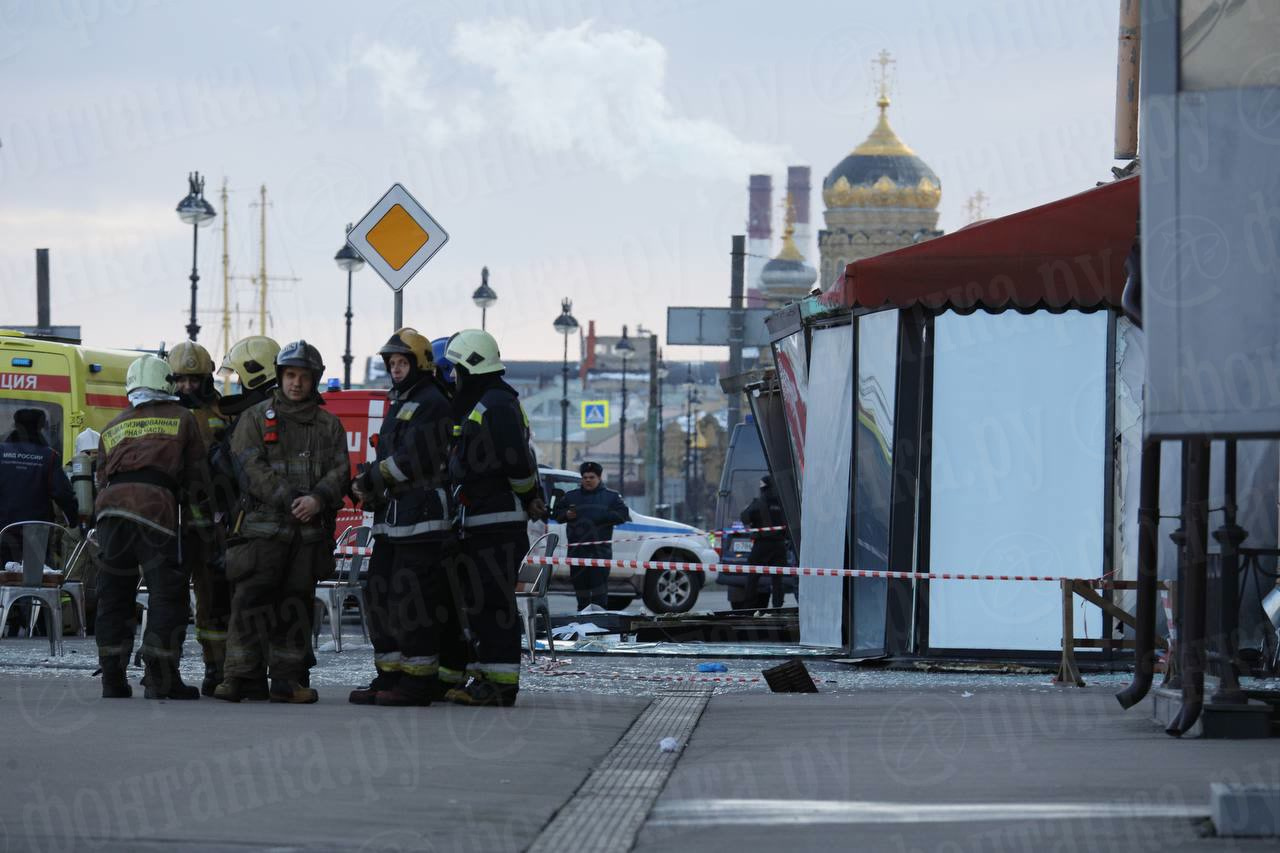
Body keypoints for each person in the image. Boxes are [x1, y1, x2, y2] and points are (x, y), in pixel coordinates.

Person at [215, 340, 349, 704]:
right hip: (261, 531)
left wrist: (318, 499)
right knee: (250, 600)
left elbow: (341, 470)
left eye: (303, 377)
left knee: (296, 604)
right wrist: (292, 501)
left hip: (306, 536)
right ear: (280, 376)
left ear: (314, 380)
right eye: (290, 375)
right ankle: (240, 678)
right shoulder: (256, 417)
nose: (296, 383)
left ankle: (289, 681)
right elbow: (248, 465)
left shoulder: (329, 425)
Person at [93, 355, 210, 699]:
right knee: (166, 593)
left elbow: (101, 476)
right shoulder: (183, 418)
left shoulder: (113, 425)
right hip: (155, 510)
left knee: (114, 594)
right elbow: (197, 477)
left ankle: (112, 679)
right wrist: (200, 522)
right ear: (167, 383)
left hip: (110, 513)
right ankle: (161, 679)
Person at [348, 328, 454, 707]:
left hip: (422, 522)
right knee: (379, 595)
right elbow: (389, 458)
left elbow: (414, 459)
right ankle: (389, 676)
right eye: (391, 363)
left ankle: (417, 684)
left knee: (413, 602)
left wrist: (371, 478)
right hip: (393, 520)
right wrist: (367, 483)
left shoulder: (432, 402)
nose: (395, 368)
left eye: (402, 362)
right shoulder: (401, 402)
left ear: (420, 364)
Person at [440, 329, 545, 707]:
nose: (453, 377)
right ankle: (485, 678)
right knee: (481, 606)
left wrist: (526, 495)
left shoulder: (495, 405)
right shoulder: (486, 402)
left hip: (496, 525)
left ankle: (500, 686)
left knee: (494, 606)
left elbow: (517, 465)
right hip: (482, 523)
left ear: (470, 366)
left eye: (455, 369)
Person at [166, 340, 233, 696]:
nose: (187, 386)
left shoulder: (225, 412)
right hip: (174, 523)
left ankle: (216, 669)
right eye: (180, 380)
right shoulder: (164, 413)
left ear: (207, 377)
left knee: (213, 598)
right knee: (169, 599)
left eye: (194, 379)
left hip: (213, 523)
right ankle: (163, 670)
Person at [554, 461, 630, 610]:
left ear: (599, 478)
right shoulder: (571, 497)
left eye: (591, 477)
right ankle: (582, 626)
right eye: (585, 477)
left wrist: (601, 516)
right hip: (577, 553)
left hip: (600, 554)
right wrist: (567, 515)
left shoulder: (611, 497)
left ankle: (598, 626)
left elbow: (623, 515)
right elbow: (556, 514)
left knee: (599, 597)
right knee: (581, 596)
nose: (587, 480)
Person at [740, 474, 790, 608]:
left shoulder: (759, 502)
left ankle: (749, 607)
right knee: (778, 579)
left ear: (762, 487)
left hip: (762, 544)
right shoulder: (782, 503)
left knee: (753, 575)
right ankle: (777, 607)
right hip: (779, 545)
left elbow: (745, 518)